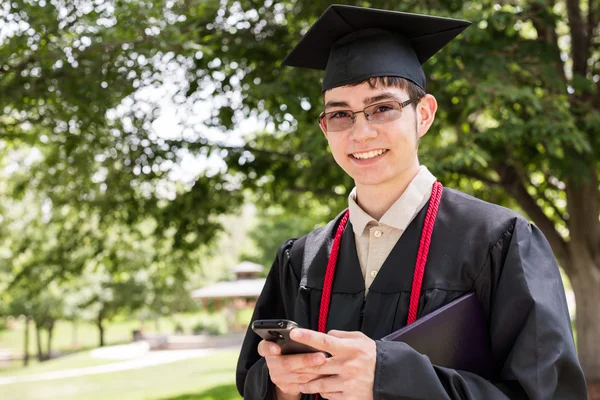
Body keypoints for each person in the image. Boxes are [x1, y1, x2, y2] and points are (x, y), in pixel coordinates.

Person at [236, 4, 588, 400]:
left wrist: (388, 377)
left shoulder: (500, 241)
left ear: (423, 114)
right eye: (340, 115)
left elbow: (549, 394)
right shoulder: (300, 260)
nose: (361, 132)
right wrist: (282, 385)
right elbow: (253, 380)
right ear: (325, 128)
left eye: (382, 108)